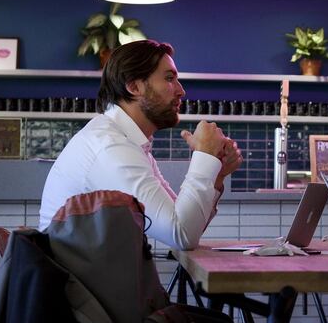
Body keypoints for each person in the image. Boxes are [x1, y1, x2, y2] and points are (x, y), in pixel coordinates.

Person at [40, 39, 242, 250]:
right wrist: (204, 155)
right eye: (169, 78)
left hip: (91, 276)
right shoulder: (111, 147)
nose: (181, 91)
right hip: (74, 281)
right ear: (134, 87)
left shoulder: (128, 142)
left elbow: (186, 224)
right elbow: (181, 234)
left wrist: (215, 176)